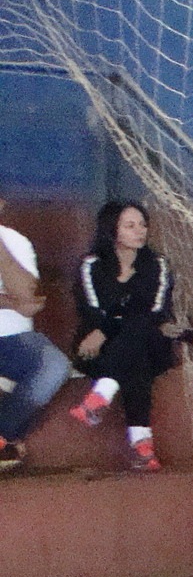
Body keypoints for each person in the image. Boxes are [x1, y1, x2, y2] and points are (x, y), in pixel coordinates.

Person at [68, 201, 187, 472]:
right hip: (98, 349)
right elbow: (92, 310)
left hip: (146, 343)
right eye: (130, 225)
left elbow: (155, 312)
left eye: (143, 225)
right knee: (136, 359)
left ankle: (102, 393)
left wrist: (106, 328)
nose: (139, 231)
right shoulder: (92, 266)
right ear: (112, 229)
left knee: (140, 332)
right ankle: (141, 444)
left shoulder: (157, 265)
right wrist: (108, 327)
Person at [0, 201, 69, 471]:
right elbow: (22, 302)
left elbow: (29, 299)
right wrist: (9, 301)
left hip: (13, 340)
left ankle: (3, 432)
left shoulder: (15, 241)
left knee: (54, 365)